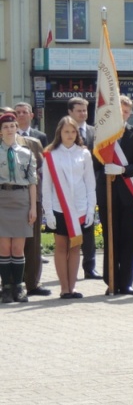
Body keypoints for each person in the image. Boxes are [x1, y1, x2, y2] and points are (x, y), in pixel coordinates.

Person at [94, 95, 133, 296]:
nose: (122, 115)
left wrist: (123, 170)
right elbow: (96, 165)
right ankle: (111, 281)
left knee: (128, 240)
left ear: (129, 113)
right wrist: (105, 169)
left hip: (128, 193)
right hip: (107, 194)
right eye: (119, 111)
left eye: (125, 112)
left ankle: (126, 282)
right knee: (111, 238)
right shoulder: (103, 135)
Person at [41, 116, 96, 299]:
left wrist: (90, 209)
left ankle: (72, 288)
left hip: (80, 209)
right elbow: (46, 186)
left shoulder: (84, 153)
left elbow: (90, 183)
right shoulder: (50, 154)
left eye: (73, 131)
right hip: (59, 208)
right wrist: (48, 212)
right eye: (66, 131)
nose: (70, 135)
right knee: (61, 247)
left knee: (75, 248)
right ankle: (63, 288)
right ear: (59, 133)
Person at [0, 111, 38, 303]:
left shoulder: (27, 153)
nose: (9, 130)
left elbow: (32, 182)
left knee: (18, 247)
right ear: (0, 131)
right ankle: (5, 287)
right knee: (4, 247)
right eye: (5, 127)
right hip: (2, 199)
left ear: (17, 128)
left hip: (21, 199)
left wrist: (33, 208)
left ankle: (19, 286)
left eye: (12, 126)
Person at [12, 104, 49, 297]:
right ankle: (10, 284)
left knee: (33, 244)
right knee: (10, 244)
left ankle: (33, 283)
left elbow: (41, 172)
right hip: (8, 200)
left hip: (32, 198)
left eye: (22, 113)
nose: (18, 118)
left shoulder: (35, 141)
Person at [66, 97, 101, 280]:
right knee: (67, 230)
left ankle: (90, 267)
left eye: (85, 110)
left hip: (90, 186)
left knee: (88, 227)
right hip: (68, 189)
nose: (83, 114)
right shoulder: (63, 132)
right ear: (70, 112)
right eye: (79, 110)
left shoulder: (95, 133)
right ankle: (66, 268)